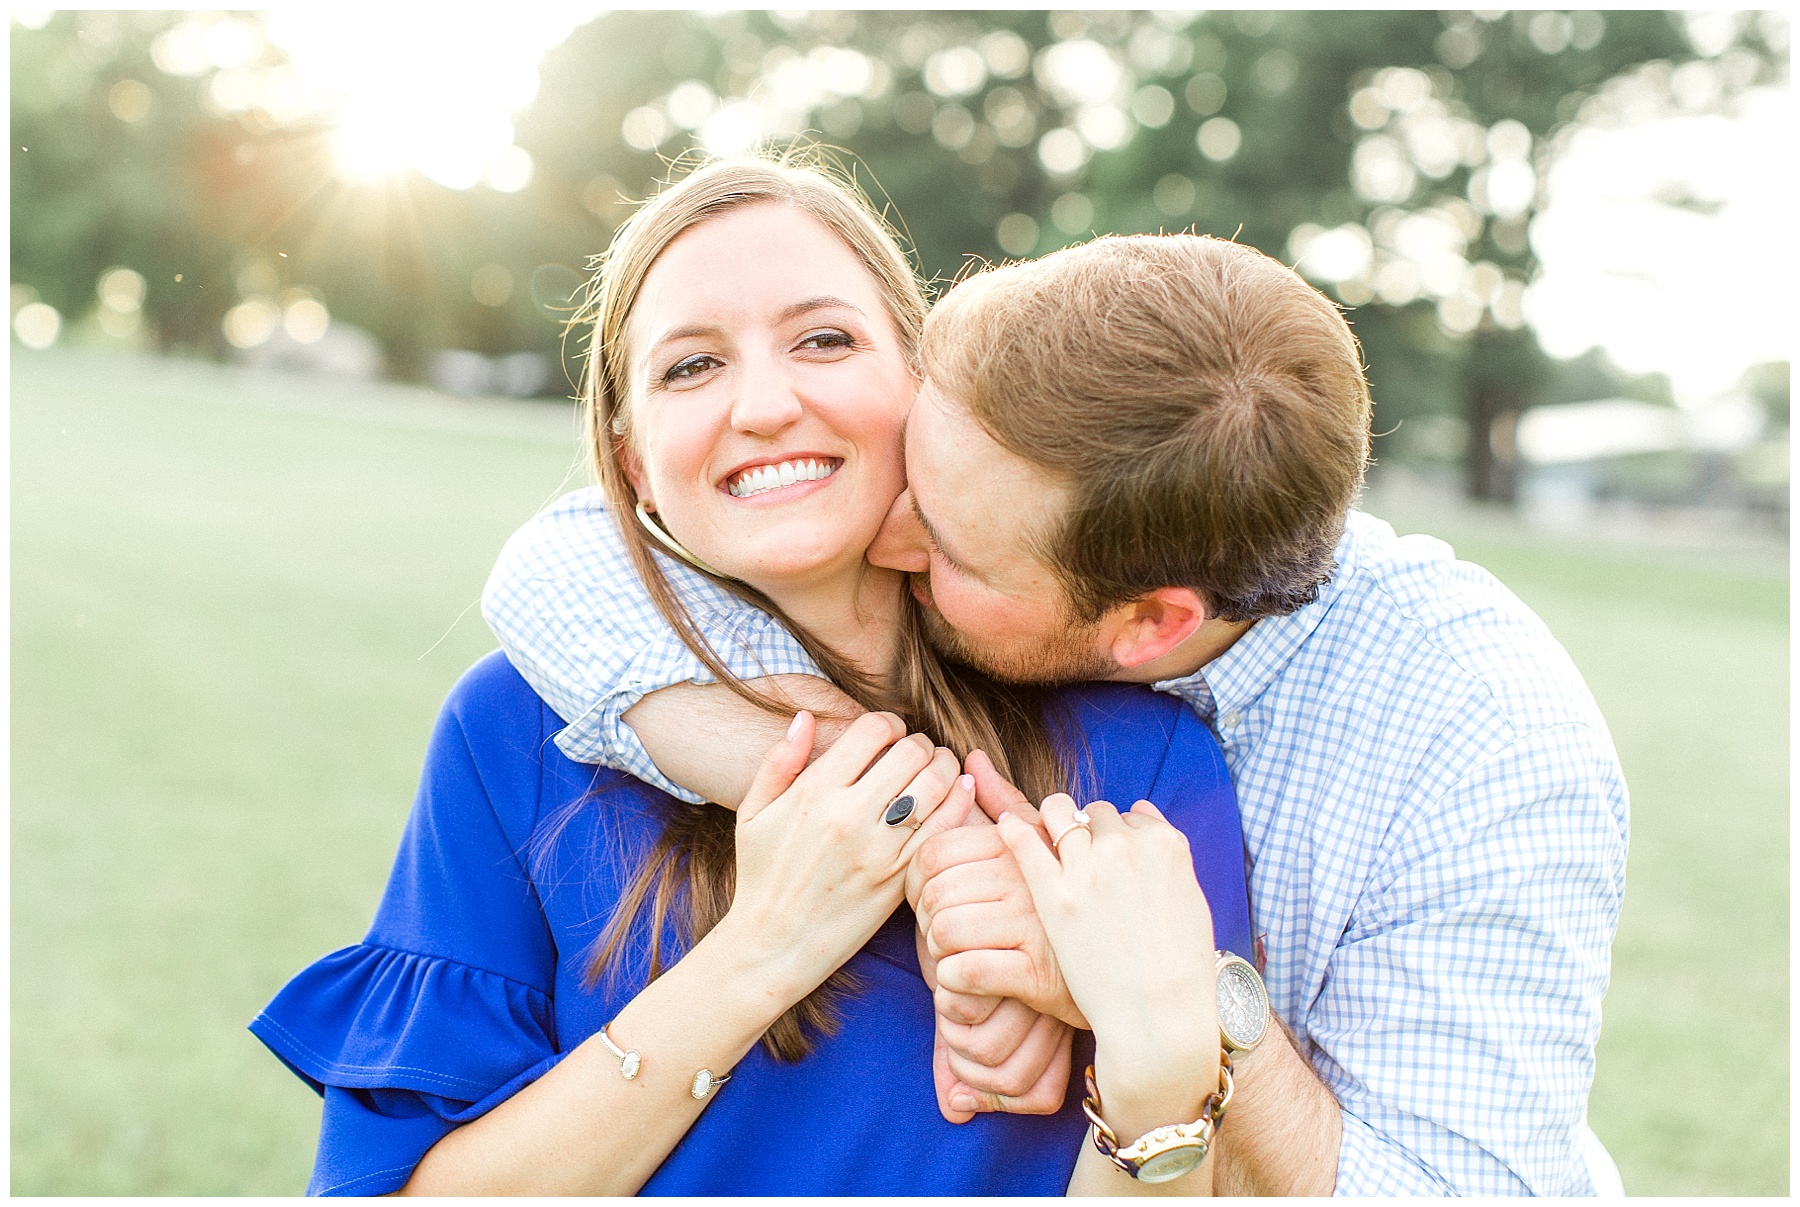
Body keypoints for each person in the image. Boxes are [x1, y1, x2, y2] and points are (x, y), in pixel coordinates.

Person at [484, 232, 1629, 1195]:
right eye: (910, 473)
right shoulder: (1035, 482)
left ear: (1146, 628)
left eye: (941, 535)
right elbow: (559, 561)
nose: (884, 539)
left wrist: (1184, 997)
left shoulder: (1484, 739)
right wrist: (921, 827)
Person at [252, 157, 1252, 1195]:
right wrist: (767, 946)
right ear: (634, 461)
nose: (766, 405)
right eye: (691, 367)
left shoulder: (1141, 753)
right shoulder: (512, 731)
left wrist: (1156, 1075)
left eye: (825, 339)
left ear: (921, 384)